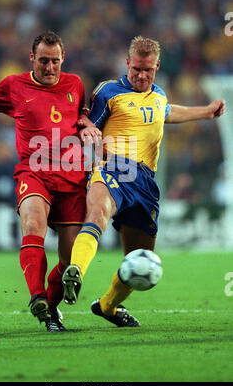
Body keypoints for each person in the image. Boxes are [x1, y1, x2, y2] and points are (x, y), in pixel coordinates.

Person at [0, 30, 101, 332]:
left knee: (69, 260)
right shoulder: (13, 85)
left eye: (55, 61)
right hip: (34, 171)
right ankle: (36, 296)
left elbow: (81, 113)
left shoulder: (75, 83)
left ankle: (49, 309)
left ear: (63, 58)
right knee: (32, 226)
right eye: (43, 61)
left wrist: (87, 123)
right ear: (32, 58)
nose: (50, 68)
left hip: (72, 176)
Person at [62, 35, 225, 327]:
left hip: (144, 182)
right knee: (98, 213)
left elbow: (168, 112)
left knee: (140, 260)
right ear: (127, 63)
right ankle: (76, 270)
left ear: (157, 66)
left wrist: (205, 112)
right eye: (136, 68)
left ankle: (107, 306)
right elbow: (87, 120)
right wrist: (86, 128)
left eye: (147, 70)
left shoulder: (159, 95)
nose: (141, 75)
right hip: (112, 168)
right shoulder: (109, 91)